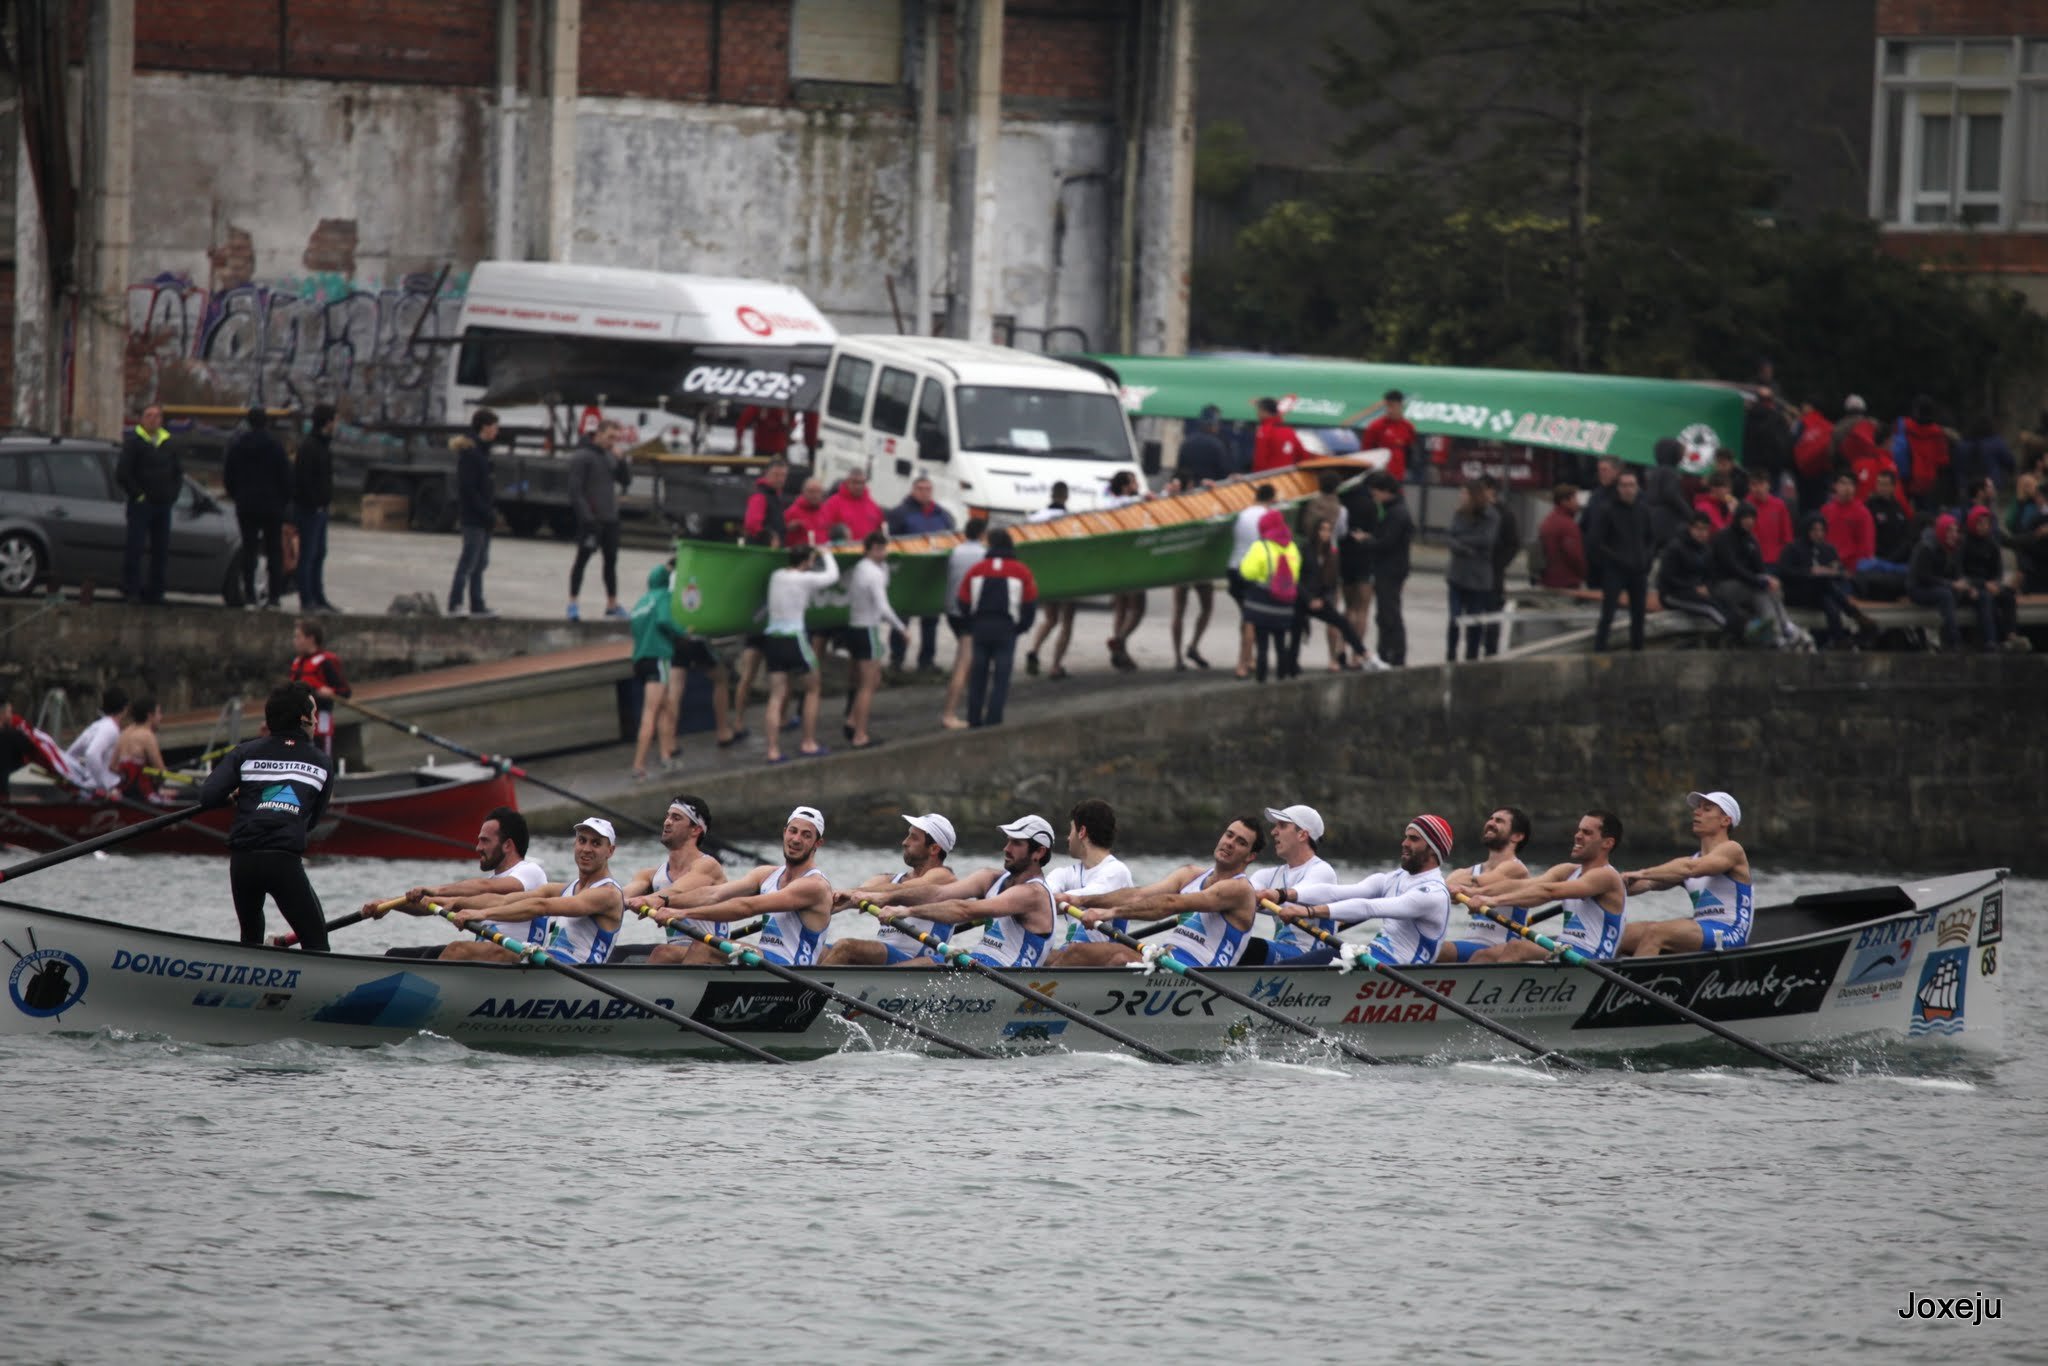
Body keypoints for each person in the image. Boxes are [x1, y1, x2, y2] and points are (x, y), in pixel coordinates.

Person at [197, 682, 335, 950]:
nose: (317, 720)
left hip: (243, 862)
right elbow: (312, 822)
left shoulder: (245, 753)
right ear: (303, 718)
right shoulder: (321, 762)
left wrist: (237, 797)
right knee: (317, 944)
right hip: (283, 862)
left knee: (251, 940)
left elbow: (207, 797)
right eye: (315, 713)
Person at [1061, 816, 1266, 968]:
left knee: (1107, 955)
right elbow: (1137, 895)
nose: (1230, 843)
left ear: (1250, 857)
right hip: (1169, 960)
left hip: (1200, 974)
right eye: (1229, 835)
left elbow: (1170, 904)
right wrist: (1079, 899)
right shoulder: (1190, 874)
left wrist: (1110, 913)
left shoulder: (1239, 889)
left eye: (1241, 842)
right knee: (1062, 954)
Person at [860, 815, 1061, 969]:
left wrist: (906, 912)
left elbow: (965, 910)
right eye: (1008, 841)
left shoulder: (1033, 893)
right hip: (977, 967)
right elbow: (938, 893)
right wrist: (884, 897)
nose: (1006, 848)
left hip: (1007, 979)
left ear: (1039, 852)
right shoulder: (990, 878)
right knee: (931, 962)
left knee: (929, 963)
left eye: (1016, 843)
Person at [649, 806, 833, 965]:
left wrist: (682, 913)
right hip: (763, 961)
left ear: (818, 843)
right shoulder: (766, 874)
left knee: (704, 948)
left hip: (791, 971)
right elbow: (714, 894)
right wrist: (664, 900)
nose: (796, 839)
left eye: (806, 835)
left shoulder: (814, 885)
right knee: (665, 953)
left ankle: (682, 1002)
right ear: (784, 832)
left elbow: (747, 907)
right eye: (793, 831)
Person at [1265, 816, 1456, 967]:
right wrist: (1282, 894)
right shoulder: (1395, 878)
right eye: (1406, 837)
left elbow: (1368, 908)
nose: (1404, 843)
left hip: (1398, 971)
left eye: (1413, 839)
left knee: (1299, 966)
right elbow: (1337, 892)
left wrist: (1308, 911)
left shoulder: (1433, 894)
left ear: (1433, 850)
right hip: (1373, 959)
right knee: (1305, 962)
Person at [362, 806, 551, 959]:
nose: (478, 848)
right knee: (397, 956)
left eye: (485, 841)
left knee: (456, 950)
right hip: (487, 959)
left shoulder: (530, 872)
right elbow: (430, 906)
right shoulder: (489, 885)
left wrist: (437, 890)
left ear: (508, 845)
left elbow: (485, 887)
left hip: (519, 957)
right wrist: (387, 904)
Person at [440, 817, 627, 964]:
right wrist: (454, 902)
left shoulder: (607, 894)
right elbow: (504, 901)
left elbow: (541, 906)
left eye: (596, 843)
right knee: (466, 949)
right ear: (575, 844)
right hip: (549, 963)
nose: (586, 849)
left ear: (610, 851)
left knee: (459, 950)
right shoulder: (563, 889)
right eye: (582, 841)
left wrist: (481, 914)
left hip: (579, 976)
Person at [1468, 810, 1628, 963]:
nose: (1578, 836)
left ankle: (1501, 991)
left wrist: (1493, 901)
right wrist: (1474, 892)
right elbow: (1526, 885)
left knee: (1517, 948)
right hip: (1567, 947)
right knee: (1485, 955)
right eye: (1578, 831)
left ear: (1607, 843)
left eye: (1587, 833)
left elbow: (1549, 892)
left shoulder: (1606, 876)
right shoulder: (1568, 870)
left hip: (1593, 958)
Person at [1620, 791, 1752, 955]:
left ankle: (1638, 979)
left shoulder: (1733, 850)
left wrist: (1641, 872)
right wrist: (1613, 884)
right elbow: (1646, 884)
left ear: (1725, 820)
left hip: (1729, 933)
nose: (1697, 812)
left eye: (1707, 809)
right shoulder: (1691, 860)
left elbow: (1691, 869)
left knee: (1657, 932)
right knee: (1620, 935)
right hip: (1701, 931)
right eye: (1698, 808)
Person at [818, 813, 958, 965]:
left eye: (914, 838)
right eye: (908, 835)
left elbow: (904, 889)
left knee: (846, 947)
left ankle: (813, 988)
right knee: (820, 950)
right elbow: (850, 896)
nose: (905, 842)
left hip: (918, 962)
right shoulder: (887, 879)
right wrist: (820, 904)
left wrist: (856, 893)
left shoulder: (945, 878)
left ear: (934, 849)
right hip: (885, 958)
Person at [618, 795, 727, 958]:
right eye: (667, 816)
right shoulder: (649, 875)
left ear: (695, 830)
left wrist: (647, 900)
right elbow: (620, 895)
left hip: (714, 951)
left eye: (676, 818)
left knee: (662, 953)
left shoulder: (708, 866)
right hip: (677, 951)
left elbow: (677, 891)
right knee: (619, 954)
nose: (667, 822)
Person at [762, 545, 840, 762]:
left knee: (776, 695)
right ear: (807, 562)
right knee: (813, 689)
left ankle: (772, 750)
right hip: (795, 638)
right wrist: (827, 554)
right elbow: (833, 576)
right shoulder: (806, 579)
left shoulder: (776, 575)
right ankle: (808, 742)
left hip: (772, 638)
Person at [1040, 799, 1137, 965]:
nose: (1068, 837)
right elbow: (1040, 893)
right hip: (1071, 955)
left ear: (1081, 832)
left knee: (1075, 951)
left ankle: (1044, 987)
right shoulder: (1066, 873)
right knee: (1040, 954)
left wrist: (1055, 898)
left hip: (1104, 960)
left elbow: (1091, 893)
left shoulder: (1116, 872)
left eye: (1071, 830)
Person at [957, 528, 1038, 727]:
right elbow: (1030, 602)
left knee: (979, 674)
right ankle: (994, 718)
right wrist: (1021, 627)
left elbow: (963, 600)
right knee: (1002, 675)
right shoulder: (1021, 571)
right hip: (1006, 628)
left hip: (981, 627)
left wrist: (971, 623)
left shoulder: (976, 570)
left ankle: (974, 718)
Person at [1436, 806, 1534, 961]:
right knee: (1426, 944)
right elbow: (1439, 888)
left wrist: (1457, 887)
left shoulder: (1516, 869)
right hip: (1470, 945)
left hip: (1501, 948)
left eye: (1499, 821)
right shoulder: (1468, 871)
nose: (1491, 823)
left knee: (1437, 950)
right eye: (1491, 819)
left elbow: (1483, 882)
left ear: (1517, 836)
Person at [1247, 803, 1340, 965]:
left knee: (1250, 948)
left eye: (1282, 826)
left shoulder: (1322, 871)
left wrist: (1272, 896)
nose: (1273, 832)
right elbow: (1243, 892)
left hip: (1314, 957)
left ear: (1302, 835)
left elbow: (1299, 893)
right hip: (1283, 951)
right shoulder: (1267, 875)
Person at [223, 407, 291, 609]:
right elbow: (286, 478)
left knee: (249, 549)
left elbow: (229, 476)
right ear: (266, 423)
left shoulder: (238, 446)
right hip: (271, 505)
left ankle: (250, 596)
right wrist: (281, 501)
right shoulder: (275, 447)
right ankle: (274, 597)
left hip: (246, 505)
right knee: (273, 551)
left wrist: (238, 496)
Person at [885, 475, 956, 672]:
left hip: (932, 576)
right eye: (921, 489)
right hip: (907, 575)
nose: (925, 493)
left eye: (928, 489)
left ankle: (926, 661)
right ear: (913, 490)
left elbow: (952, 538)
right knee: (901, 619)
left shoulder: (942, 515)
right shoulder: (900, 513)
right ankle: (896, 659)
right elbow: (889, 541)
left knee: (931, 621)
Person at [845, 529, 908, 749]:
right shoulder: (873, 573)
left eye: (884, 549)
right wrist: (901, 628)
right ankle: (860, 735)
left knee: (872, 680)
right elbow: (883, 607)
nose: (883, 554)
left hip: (855, 626)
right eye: (879, 550)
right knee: (868, 685)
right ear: (870, 550)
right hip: (868, 628)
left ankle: (853, 719)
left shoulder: (861, 569)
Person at [117, 403, 182, 605]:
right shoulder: (134, 443)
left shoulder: (169, 443)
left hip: (163, 504)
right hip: (142, 504)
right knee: (135, 547)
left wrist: (172, 495)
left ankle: (156, 591)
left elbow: (178, 473)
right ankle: (131, 589)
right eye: (149, 416)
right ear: (142, 419)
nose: (153, 419)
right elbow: (123, 473)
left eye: (157, 416)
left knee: (161, 550)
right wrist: (138, 494)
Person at [567, 419, 630, 620]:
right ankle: (573, 602)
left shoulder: (610, 455)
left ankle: (612, 603)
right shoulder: (582, 456)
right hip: (592, 519)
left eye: (616, 439)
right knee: (582, 560)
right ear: (599, 433)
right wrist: (587, 517)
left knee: (611, 561)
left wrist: (622, 461)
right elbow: (575, 491)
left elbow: (626, 481)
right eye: (610, 437)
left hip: (610, 517)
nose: (612, 442)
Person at [1588, 468, 1655, 652]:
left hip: (1639, 569)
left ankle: (1637, 652)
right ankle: (1599, 651)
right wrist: (1614, 560)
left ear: (1637, 487)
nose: (1628, 489)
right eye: (1624, 485)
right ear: (1618, 488)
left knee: (1639, 615)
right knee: (1608, 613)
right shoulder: (1607, 510)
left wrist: (1647, 559)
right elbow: (1596, 542)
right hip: (1615, 569)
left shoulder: (1644, 510)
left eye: (1631, 485)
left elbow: (1650, 538)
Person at [1709, 501, 1792, 647]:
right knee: (1759, 589)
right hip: (1723, 585)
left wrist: (1769, 580)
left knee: (1768, 589)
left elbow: (1760, 568)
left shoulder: (1751, 540)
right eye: (1745, 517)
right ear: (1738, 518)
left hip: (1746, 584)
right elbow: (1732, 567)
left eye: (1752, 518)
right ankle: (1779, 630)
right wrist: (1758, 581)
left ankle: (1782, 629)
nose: (1749, 521)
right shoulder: (1724, 537)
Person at [629, 563, 685, 780]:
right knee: (651, 712)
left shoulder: (641, 602)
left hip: (640, 659)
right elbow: (664, 620)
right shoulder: (663, 596)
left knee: (666, 708)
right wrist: (682, 632)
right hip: (658, 657)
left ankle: (666, 755)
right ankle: (638, 765)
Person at [1777, 513, 1861, 648]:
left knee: (1828, 599)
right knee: (1824, 586)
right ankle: (1855, 616)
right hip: (1798, 593)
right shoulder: (1792, 548)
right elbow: (1784, 572)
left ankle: (1839, 639)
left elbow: (1837, 571)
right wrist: (1809, 572)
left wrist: (1834, 571)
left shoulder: (1828, 549)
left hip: (1822, 594)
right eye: (1814, 530)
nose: (1818, 534)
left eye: (1821, 530)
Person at [1295, 515, 1368, 670]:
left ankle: (1362, 652)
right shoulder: (1305, 549)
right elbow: (1296, 579)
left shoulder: (1331, 554)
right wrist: (1308, 599)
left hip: (1320, 599)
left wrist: (1322, 599)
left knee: (1341, 622)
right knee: (1295, 626)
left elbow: (1331, 583)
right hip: (1302, 598)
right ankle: (1291, 661)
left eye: (1329, 531)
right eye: (1322, 530)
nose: (1325, 534)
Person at [1906, 512, 1986, 651]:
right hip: (1919, 588)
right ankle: (1954, 641)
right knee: (1946, 595)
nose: (1953, 534)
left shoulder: (1954, 548)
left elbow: (1957, 574)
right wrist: (1951, 584)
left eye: (1955, 530)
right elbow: (1924, 577)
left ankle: (1987, 640)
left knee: (1981, 596)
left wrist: (1967, 587)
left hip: (1941, 586)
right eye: (1949, 530)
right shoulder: (1927, 548)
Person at [1238, 508, 1302, 681]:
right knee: (1281, 643)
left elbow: (1247, 572)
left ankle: (1262, 677)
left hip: (1262, 602)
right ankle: (1282, 677)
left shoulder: (1261, 546)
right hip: (1284, 604)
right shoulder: (1292, 547)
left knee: (1263, 643)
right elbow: (1295, 575)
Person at [448, 407, 500, 616]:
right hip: (473, 518)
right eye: (495, 427)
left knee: (480, 563)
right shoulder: (471, 454)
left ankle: (477, 604)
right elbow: (468, 489)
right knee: (468, 561)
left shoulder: (485, 453)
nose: (497, 431)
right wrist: (484, 511)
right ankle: (455, 603)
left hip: (485, 517)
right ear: (485, 427)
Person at [940, 517, 988, 730]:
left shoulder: (956, 552)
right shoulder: (983, 554)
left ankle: (974, 707)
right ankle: (949, 714)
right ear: (982, 534)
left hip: (953, 610)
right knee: (964, 662)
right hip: (970, 611)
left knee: (968, 661)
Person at [1445, 478, 1501, 661]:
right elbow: (1451, 537)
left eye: (1464, 493)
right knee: (1454, 617)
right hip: (1457, 574)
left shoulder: (1491, 516)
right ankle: (1451, 653)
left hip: (1478, 578)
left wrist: (1462, 541)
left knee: (1474, 619)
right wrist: (1462, 546)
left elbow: (1486, 540)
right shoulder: (1459, 514)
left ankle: (1472, 656)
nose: (1461, 497)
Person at [1024, 485, 1075, 679]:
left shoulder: (1035, 518)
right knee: (1067, 621)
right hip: (1068, 575)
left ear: (1051, 495)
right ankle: (1056, 665)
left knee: (1051, 618)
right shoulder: (1071, 520)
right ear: (1066, 497)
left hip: (1046, 575)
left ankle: (1034, 650)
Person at [1228, 483, 1278, 677]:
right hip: (1253, 571)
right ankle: (1243, 664)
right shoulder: (1269, 517)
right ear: (1272, 498)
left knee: (1246, 616)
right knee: (1252, 620)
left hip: (1234, 567)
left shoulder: (1243, 514)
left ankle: (1249, 659)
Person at [294, 404, 339, 613]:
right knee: (308, 555)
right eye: (334, 420)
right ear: (327, 422)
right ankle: (307, 599)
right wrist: (314, 502)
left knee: (320, 553)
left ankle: (319, 597)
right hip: (309, 510)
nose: (336, 424)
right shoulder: (309, 447)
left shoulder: (323, 446)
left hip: (321, 510)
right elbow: (303, 480)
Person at [1363, 472, 1411, 666]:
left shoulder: (1396, 514)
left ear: (1385, 492)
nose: (1374, 499)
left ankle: (1394, 654)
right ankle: (1387, 651)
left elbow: (1386, 542)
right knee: (1385, 613)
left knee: (1389, 613)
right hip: (1391, 567)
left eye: (1375, 494)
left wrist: (1367, 541)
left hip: (1390, 569)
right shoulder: (1395, 510)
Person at [1103, 470, 1149, 671]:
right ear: (1125, 487)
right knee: (1138, 608)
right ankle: (1119, 640)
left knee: (1121, 608)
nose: (1137, 485)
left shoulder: (1108, 503)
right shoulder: (1128, 503)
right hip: (1132, 562)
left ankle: (1119, 655)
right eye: (1134, 483)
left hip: (1114, 562)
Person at [1960, 506, 2020, 651]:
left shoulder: (1991, 543)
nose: (1984, 527)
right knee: (1986, 599)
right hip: (1973, 586)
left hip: (1990, 584)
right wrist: (1983, 584)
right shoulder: (1964, 543)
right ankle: (1990, 640)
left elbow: (1998, 570)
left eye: (1986, 523)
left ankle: (2011, 635)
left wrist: (1996, 583)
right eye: (1980, 523)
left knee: (2008, 595)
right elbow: (1960, 573)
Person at [287, 617, 351, 753]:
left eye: (298, 637)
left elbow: (345, 691)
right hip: (297, 726)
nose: (295, 641)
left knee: (321, 762)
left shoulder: (326, 662)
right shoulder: (297, 662)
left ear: (310, 639)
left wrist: (331, 692)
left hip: (319, 725)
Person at [1656, 512, 1727, 633]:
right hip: (1672, 594)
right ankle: (1735, 632)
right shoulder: (1675, 548)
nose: (1701, 533)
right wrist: (1693, 588)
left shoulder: (1706, 549)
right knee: (1710, 609)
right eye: (1698, 528)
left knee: (1724, 602)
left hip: (1697, 591)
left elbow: (1711, 575)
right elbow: (1668, 577)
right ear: (1690, 528)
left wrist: (1706, 587)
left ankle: (1746, 631)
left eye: (1705, 529)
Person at [63, 685, 128, 793]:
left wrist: (81, 777)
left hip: (88, 786)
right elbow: (91, 754)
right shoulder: (111, 728)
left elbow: (70, 754)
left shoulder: (95, 726)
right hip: (105, 788)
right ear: (125, 708)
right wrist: (101, 783)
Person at [1900, 395, 1950, 511]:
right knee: (1926, 515)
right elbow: (1943, 461)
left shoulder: (1904, 427)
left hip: (1907, 477)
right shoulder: (1938, 433)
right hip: (1929, 480)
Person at [109, 696, 166, 798]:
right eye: (159, 713)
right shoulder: (147, 736)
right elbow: (161, 773)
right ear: (150, 716)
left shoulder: (124, 733)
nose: (161, 717)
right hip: (142, 795)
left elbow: (112, 767)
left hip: (122, 793)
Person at [1578, 457, 1621, 591]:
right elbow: (1584, 523)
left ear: (1616, 471)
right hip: (1593, 559)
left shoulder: (1623, 495)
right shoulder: (1596, 494)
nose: (1602, 473)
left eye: (1605, 470)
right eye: (1600, 470)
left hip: (1615, 559)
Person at [1819, 472, 1875, 571]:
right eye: (1843, 483)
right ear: (1835, 486)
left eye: (1851, 484)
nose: (1847, 487)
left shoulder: (1862, 513)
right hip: (1827, 565)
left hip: (1852, 568)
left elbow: (1866, 546)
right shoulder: (1825, 510)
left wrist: (1852, 567)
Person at [1358, 390, 1416, 482]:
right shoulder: (1376, 426)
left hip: (1398, 476)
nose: (1389, 410)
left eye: (1392, 406)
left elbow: (1409, 451)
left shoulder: (1408, 427)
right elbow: (1366, 451)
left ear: (1401, 406)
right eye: (1387, 406)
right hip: (1378, 476)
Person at [1538, 484, 1586, 589]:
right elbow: (1574, 555)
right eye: (1575, 499)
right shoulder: (1567, 525)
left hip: (1547, 579)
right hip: (1567, 581)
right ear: (1564, 502)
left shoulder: (1548, 521)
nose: (1578, 503)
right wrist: (1584, 572)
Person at [819, 469, 886, 543]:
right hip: (843, 552)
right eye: (855, 482)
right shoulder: (832, 504)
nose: (858, 486)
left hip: (868, 552)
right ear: (847, 482)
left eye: (861, 483)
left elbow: (881, 531)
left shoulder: (874, 507)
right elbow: (824, 530)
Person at [1174, 404, 1232, 488]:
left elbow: (1179, 472)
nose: (1218, 426)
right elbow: (1223, 473)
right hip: (1210, 493)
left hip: (1188, 493)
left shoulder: (1186, 443)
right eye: (1217, 423)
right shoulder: (1217, 445)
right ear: (1213, 424)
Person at [741, 456, 791, 547]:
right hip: (760, 552)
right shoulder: (759, 496)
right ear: (766, 474)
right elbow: (752, 525)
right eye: (776, 475)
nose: (780, 479)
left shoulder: (776, 495)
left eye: (783, 475)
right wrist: (770, 536)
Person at [1252, 397, 1307, 472]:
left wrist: (1256, 478)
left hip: (1268, 477)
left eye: (1259, 411)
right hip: (1288, 477)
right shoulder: (1289, 431)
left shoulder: (1264, 431)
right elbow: (1303, 455)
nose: (1257, 414)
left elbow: (1260, 459)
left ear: (1265, 411)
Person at [782, 478, 829, 548]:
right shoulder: (792, 511)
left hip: (823, 553)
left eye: (818, 492)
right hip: (800, 554)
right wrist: (789, 528)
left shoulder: (825, 510)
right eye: (811, 491)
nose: (815, 495)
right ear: (803, 492)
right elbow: (782, 533)